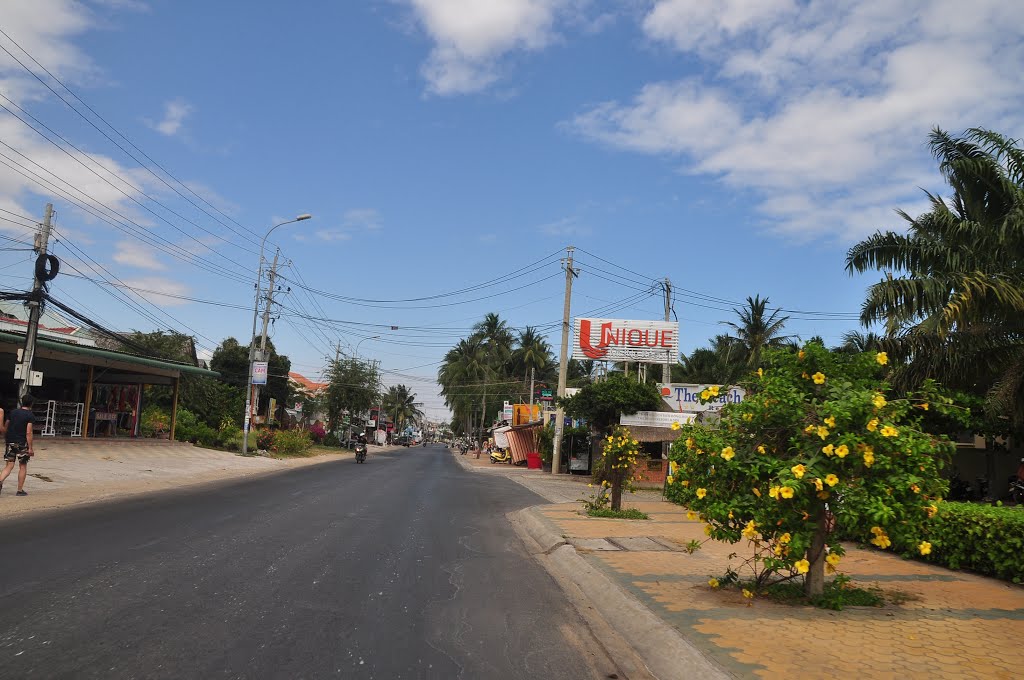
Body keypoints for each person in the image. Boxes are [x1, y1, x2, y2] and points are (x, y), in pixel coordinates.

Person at [1, 394, 34, 496]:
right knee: (22, 466)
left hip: (10, 442)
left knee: (9, 466)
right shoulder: (30, 415)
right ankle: (20, 490)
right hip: (21, 444)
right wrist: (30, 448)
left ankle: (0, 481)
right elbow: (29, 432)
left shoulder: (13, 412)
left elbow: (6, 426)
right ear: (31, 404)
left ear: (21, 402)